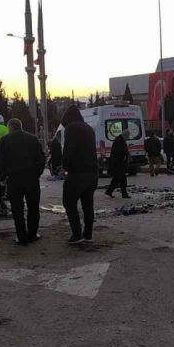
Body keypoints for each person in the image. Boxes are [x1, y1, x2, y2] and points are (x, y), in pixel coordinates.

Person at [0, 118, 45, 245]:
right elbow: (41, 159)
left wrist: (2, 178)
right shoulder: (33, 139)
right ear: (21, 126)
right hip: (31, 179)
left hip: (14, 179)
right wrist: (36, 174)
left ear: (10, 127)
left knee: (17, 209)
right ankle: (32, 234)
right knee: (33, 207)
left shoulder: (5, 140)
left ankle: (21, 237)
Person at [61, 105, 99, 245]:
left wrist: (65, 166)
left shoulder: (71, 128)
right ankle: (88, 233)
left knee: (69, 202)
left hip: (77, 173)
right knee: (88, 204)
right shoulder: (88, 128)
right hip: (92, 172)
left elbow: (69, 150)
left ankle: (76, 234)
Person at [105, 129, 131, 198]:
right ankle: (124, 194)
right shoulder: (119, 141)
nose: (128, 138)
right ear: (125, 135)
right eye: (128, 136)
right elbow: (119, 153)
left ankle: (109, 191)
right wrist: (125, 157)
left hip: (119, 164)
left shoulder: (120, 140)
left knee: (116, 179)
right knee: (122, 180)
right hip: (118, 164)